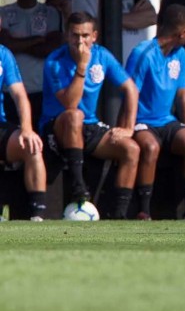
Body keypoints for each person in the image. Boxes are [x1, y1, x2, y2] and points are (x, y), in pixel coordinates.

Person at [40, 12, 141, 219]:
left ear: (94, 36)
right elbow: (70, 103)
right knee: (74, 115)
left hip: (89, 125)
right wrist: (82, 67)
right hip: (57, 128)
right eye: (75, 35)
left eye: (85, 35)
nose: (80, 41)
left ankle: (119, 216)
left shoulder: (103, 55)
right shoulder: (54, 62)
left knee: (131, 149)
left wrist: (128, 128)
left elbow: (131, 89)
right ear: (67, 35)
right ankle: (79, 187)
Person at [125, 4, 185, 220]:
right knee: (150, 147)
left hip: (167, 120)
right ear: (182, 33)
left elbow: (182, 95)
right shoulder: (143, 53)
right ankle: (144, 210)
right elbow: (130, 93)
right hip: (143, 122)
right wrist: (127, 128)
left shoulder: (181, 54)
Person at [0, 0, 63, 130]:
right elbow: (5, 46)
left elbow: (50, 49)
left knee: (40, 142)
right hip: (9, 91)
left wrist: (17, 44)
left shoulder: (50, 13)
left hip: (42, 90)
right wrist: (36, 40)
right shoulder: (3, 13)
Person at [0, 22, 46, 221]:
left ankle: (37, 215)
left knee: (32, 146)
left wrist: (27, 129)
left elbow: (20, 95)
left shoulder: (4, 55)